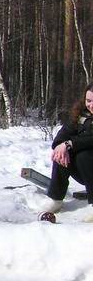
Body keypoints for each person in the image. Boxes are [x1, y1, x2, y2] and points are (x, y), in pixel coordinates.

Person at [42, 82, 93, 217]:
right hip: (86, 172)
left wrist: (70, 144)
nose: (91, 105)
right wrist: (61, 145)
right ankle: (56, 199)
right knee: (61, 153)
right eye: (89, 101)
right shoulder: (81, 114)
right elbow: (63, 135)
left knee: (84, 156)